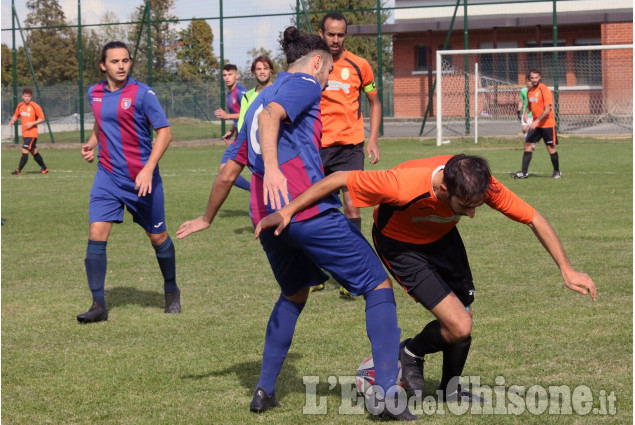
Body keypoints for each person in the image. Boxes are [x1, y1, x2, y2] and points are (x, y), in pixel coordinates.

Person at [177, 27, 417, 421]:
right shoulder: (304, 83)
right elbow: (275, 117)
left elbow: (226, 171)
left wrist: (207, 218)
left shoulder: (256, 101)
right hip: (302, 210)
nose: (326, 83)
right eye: (328, 73)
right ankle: (389, 395)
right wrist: (272, 169)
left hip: (265, 219)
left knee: (295, 293)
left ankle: (264, 390)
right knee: (377, 284)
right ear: (318, 63)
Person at [255, 154, 597, 402]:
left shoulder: (479, 184)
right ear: (445, 188)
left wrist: (567, 269)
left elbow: (533, 217)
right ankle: (409, 351)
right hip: (401, 245)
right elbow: (340, 178)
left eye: (479, 204)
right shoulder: (402, 185)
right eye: (467, 207)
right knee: (460, 325)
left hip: (442, 238)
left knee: (462, 321)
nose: (475, 214)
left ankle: (446, 388)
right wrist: (287, 211)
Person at [76, 41, 180, 323]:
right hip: (107, 176)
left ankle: (170, 288)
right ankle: (98, 305)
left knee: (157, 237)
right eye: (114, 61)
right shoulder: (94, 93)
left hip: (141, 180)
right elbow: (101, 121)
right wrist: (92, 142)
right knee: (97, 233)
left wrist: (148, 169)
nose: (121, 66)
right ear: (103, 65)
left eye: (125, 61)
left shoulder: (142, 93)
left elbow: (165, 133)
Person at [313, 12, 382, 297]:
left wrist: (373, 140)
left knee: (352, 208)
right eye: (331, 34)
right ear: (321, 34)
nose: (336, 39)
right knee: (313, 209)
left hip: (350, 147)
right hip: (316, 147)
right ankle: (314, 273)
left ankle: (353, 276)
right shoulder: (312, 65)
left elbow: (374, 103)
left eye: (340, 34)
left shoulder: (360, 65)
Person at [511, 69, 561, 179]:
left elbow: (548, 109)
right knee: (528, 145)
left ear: (540, 77)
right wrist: (526, 113)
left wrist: (537, 120)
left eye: (536, 77)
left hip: (547, 124)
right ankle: (524, 172)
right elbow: (529, 104)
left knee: (550, 148)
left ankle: (557, 172)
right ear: (529, 79)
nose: (534, 80)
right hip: (536, 124)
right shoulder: (529, 91)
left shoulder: (545, 90)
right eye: (532, 78)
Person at [215, 63, 250, 191]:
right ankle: (255, 190)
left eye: (230, 74)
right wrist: (231, 130)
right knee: (224, 170)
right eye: (225, 75)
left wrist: (227, 116)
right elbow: (239, 115)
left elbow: (247, 113)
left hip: (247, 138)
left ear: (237, 76)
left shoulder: (240, 93)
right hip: (238, 137)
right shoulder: (230, 93)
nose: (227, 77)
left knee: (261, 171)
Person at [8, 87, 49, 175]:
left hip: (32, 134)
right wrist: (12, 121)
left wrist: (32, 123)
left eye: (29, 96)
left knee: (24, 150)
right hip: (25, 134)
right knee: (34, 151)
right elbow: (16, 115)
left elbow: (42, 118)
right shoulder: (20, 106)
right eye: (25, 96)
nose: (27, 98)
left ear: (31, 97)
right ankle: (44, 168)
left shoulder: (35, 106)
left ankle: (18, 170)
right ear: (22, 96)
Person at [517, 74, 534, 148]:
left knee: (532, 130)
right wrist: (518, 110)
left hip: (534, 113)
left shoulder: (537, 90)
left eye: (530, 81)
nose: (529, 82)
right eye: (527, 81)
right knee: (524, 129)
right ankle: (529, 142)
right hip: (525, 113)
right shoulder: (523, 90)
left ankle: (530, 143)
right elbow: (521, 101)